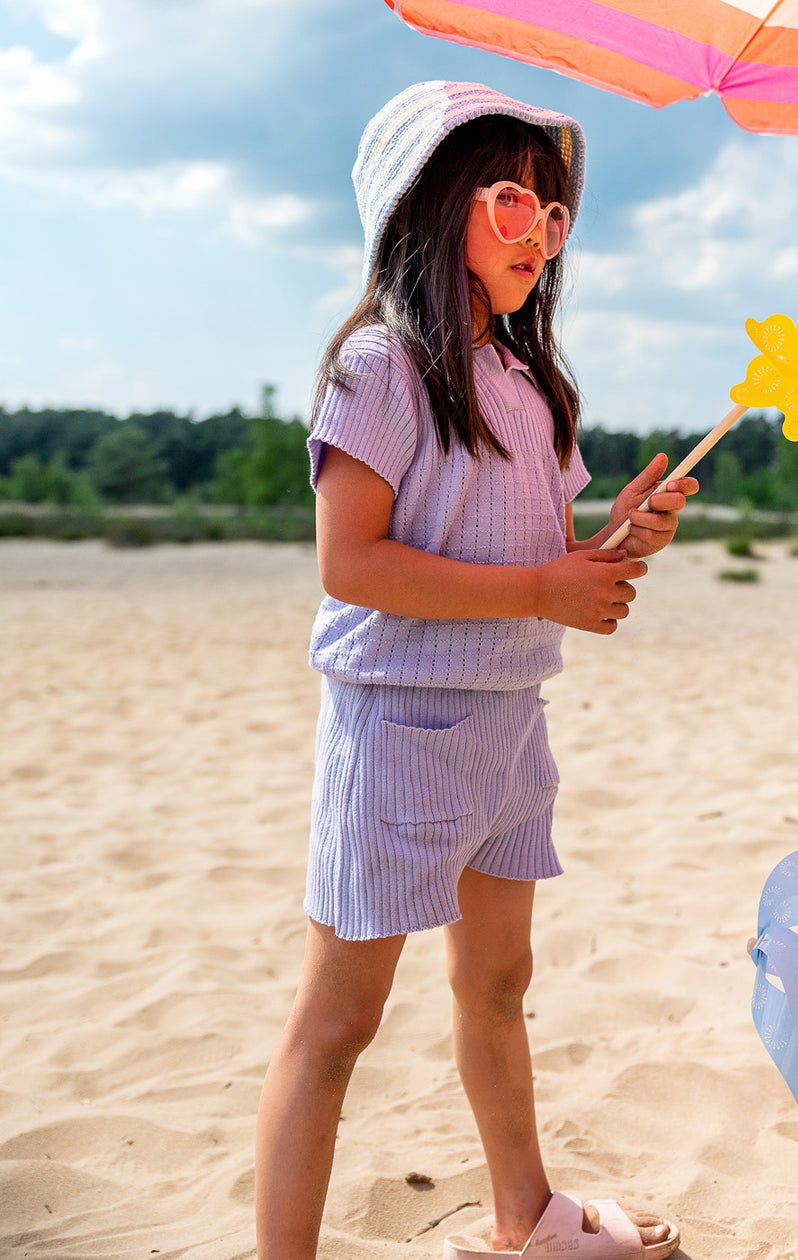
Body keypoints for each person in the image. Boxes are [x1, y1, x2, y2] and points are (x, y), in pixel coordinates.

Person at [255, 80, 696, 1259]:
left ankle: (526, 1219)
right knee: (340, 1020)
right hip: (399, 727)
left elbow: (539, 557)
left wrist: (618, 539)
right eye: (513, 201)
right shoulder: (378, 370)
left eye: (554, 218)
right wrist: (546, 589)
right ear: (427, 204)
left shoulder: (533, 389)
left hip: (509, 725)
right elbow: (352, 563)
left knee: (500, 982)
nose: (540, 235)